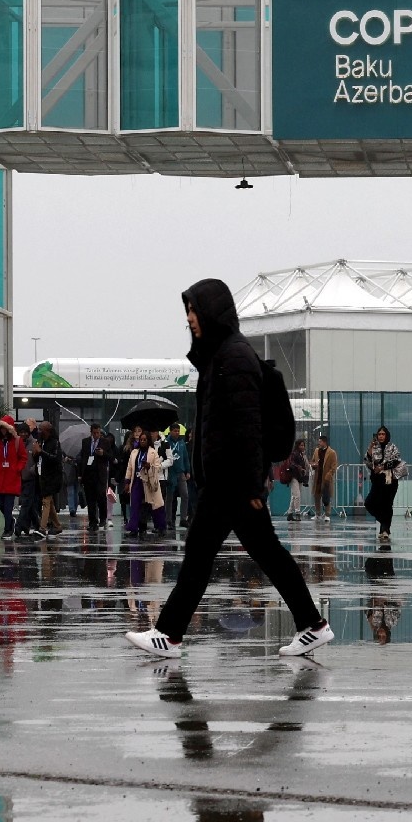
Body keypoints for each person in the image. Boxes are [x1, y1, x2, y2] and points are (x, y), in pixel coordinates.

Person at [127, 279, 333, 659]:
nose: (189, 319)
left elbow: (246, 427)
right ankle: (313, 625)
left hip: (233, 484)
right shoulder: (222, 354)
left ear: (212, 312)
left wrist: (255, 485)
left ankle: (169, 634)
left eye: (194, 311)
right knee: (265, 553)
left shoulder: (234, 356)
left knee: (201, 554)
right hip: (230, 482)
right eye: (187, 311)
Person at [125, 427, 168, 539]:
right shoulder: (134, 452)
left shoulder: (153, 452)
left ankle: (161, 527)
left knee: (156, 505)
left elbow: (158, 468)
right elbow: (130, 468)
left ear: (148, 441)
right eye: (141, 440)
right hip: (137, 482)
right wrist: (127, 481)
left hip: (149, 482)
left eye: (144, 440)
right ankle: (133, 528)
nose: (142, 441)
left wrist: (150, 466)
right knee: (134, 505)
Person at [363, 427, 401, 541]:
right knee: (369, 503)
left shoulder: (392, 447)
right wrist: (370, 449)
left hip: (390, 480)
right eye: (379, 434)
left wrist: (382, 467)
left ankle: (384, 530)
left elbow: (396, 460)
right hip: (377, 481)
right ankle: (384, 524)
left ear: (387, 435)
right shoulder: (374, 448)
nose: (381, 436)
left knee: (387, 505)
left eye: (383, 434)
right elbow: (367, 462)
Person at [76, 423, 114, 536]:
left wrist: (103, 453)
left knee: (101, 497)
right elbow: (82, 457)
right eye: (94, 433)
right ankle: (93, 522)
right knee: (90, 499)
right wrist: (80, 473)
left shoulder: (105, 442)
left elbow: (111, 457)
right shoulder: (86, 442)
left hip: (100, 474)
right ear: (91, 432)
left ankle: (103, 518)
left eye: (98, 433)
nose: (96, 435)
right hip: (88, 473)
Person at [0, 416, 25, 541]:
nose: (3, 431)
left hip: (11, 478)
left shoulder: (17, 441)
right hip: (0, 478)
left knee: (7, 506)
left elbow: (23, 457)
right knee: (0, 503)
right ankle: (10, 521)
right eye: (1, 428)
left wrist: (18, 468)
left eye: (5, 428)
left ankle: (7, 529)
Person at [31, 420, 64, 538]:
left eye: (41, 429)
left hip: (52, 477)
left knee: (46, 500)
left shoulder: (55, 443)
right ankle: (57, 525)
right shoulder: (40, 442)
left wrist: (41, 452)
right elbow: (37, 459)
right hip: (41, 475)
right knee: (50, 502)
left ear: (48, 431)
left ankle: (42, 528)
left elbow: (55, 459)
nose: (39, 431)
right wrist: (35, 453)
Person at [159, 424, 192, 528]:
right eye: (175, 431)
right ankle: (168, 519)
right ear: (170, 431)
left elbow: (186, 458)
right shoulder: (166, 442)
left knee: (185, 495)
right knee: (169, 497)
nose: (177, 433)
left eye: (178, 431)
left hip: (181, 472)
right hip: (170, 472)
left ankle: (183, 519)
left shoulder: (182, 442)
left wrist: (188, 471)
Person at [282, 438, 310, 521]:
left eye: (304, 445)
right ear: (297, 446)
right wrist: (299, 468)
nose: (303, 447)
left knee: (294, 496)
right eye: (301, 445)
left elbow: (305, 464)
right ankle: (298, 513)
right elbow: (292, 463)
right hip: (294, 477)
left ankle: (290, 513)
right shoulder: (294, 454)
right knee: (297, 495)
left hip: (300, 477)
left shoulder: (302, 454)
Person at [312, 435, 338, 522]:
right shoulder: (316, 451)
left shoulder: (332, 453)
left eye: (320, 441)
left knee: (326, 495)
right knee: (316, 496)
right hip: (317, 477)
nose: (319, 443)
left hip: (326, 478)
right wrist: (313, 465)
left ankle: (327, 514)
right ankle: (318, 513)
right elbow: (312, 461)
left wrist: (329, 475)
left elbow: (334, 466)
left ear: (324, 442)